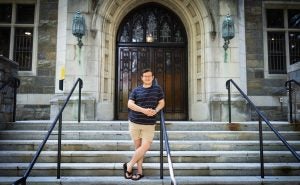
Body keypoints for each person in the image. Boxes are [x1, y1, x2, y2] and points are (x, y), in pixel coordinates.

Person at [123, 68, 165, 181]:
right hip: (134, 123)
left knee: (144, 147)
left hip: (149, 124)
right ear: (142, 78)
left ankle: (129, 166)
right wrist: (144, 110)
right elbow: (130, 104)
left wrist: (155, 111)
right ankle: (140, 172)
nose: (147, 78)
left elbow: (162, 103)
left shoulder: (157, 89)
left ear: (152, 77)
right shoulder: (136, 90)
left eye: (149, 76)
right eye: (145, 76)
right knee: (138, 148)